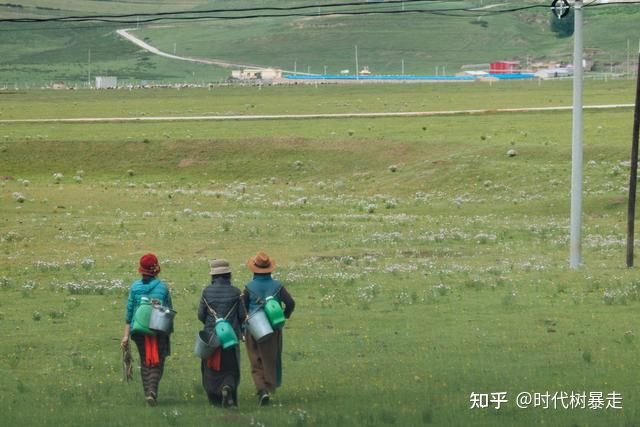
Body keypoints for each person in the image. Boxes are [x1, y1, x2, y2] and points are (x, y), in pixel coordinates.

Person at [242, 251, 295, 406]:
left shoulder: (248, 287)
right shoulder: (278, 286)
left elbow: (243, 309)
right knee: (270, 359)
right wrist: (285, 315)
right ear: (270, 269)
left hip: (253, 328)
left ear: (254, 269)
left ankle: (262, 390)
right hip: (273, 328)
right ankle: (269, 386)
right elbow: (290, 303)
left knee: (255, 360)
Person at [120, 253, 173, 406]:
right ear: (156, 270)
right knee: (157, 362)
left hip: (138, 330)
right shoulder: (162, 288)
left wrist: (125, 336)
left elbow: (129, 313)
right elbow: (169, 310)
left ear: (141, 270)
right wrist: (168, 333)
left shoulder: (135, 287)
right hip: (159, 329)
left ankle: (148, 393)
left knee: (145, 361)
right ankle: (152, 391)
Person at [197, 259, 246, 407]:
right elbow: (242, 315)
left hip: (211, 338)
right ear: (228, 274)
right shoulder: (236, 292)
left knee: (210, 369)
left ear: (213, 275)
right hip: (230, 338)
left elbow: (201, 315)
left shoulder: (206, 291)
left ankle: (216, 399)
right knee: (231, 368)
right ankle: (228, 388)